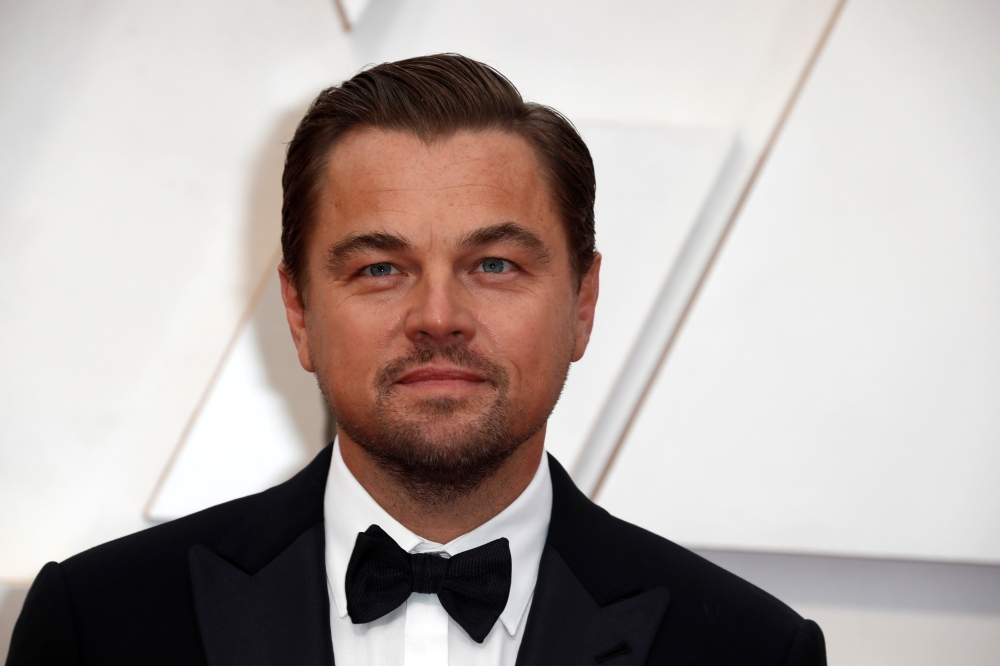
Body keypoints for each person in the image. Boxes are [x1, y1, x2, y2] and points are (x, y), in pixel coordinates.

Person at [7, 54, 826, 666]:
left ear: (582, 306)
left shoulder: (754, 652)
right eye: (380, 269)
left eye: (495, 265)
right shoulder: (100, 625)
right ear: (299, 312)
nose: (439, 318)